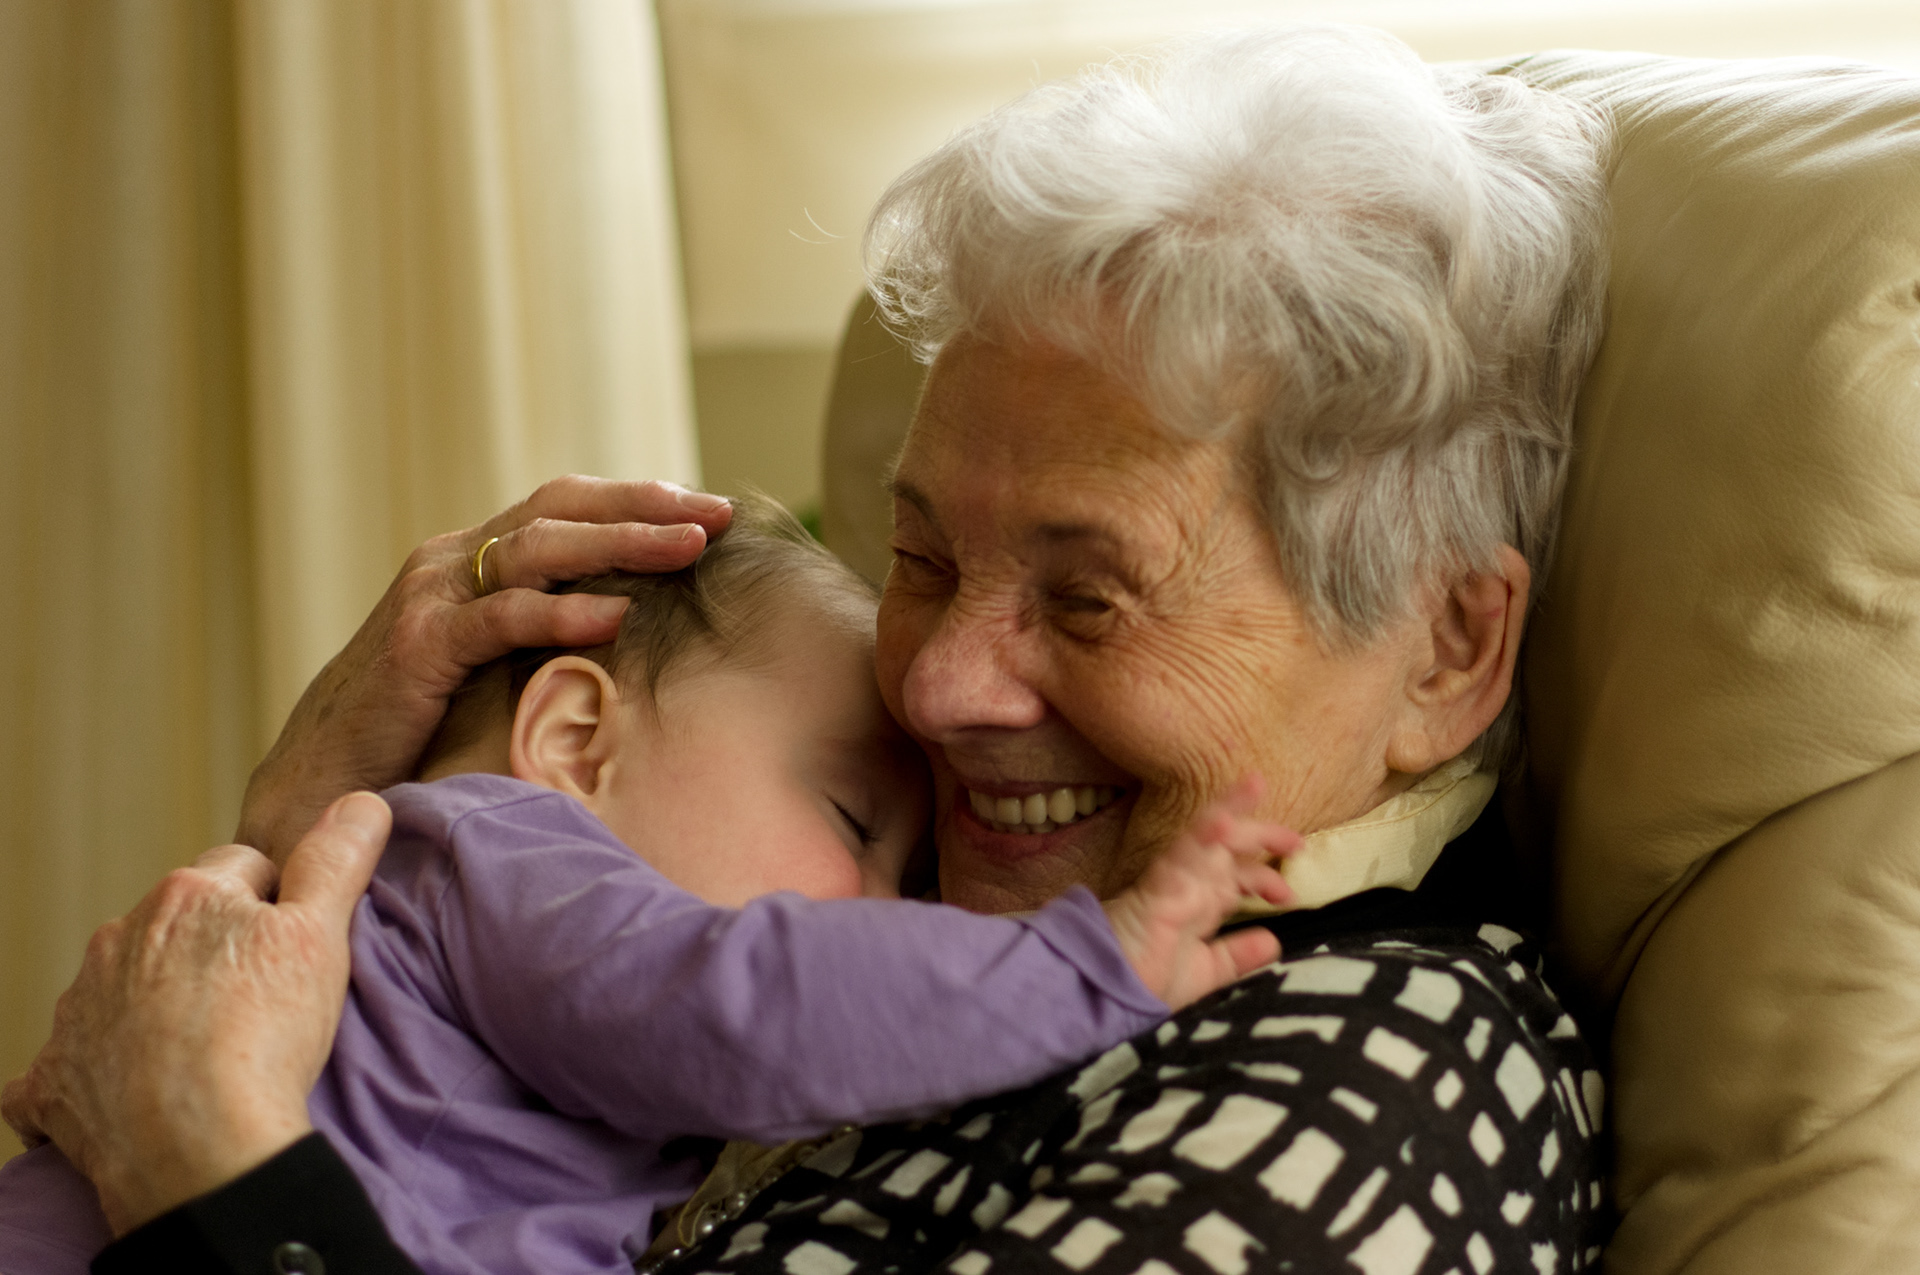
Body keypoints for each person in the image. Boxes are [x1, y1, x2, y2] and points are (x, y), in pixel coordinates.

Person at [5, 22, 1617, 1275]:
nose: (937, 688)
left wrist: (207, 1160)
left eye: (1087, 599)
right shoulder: (931, 900)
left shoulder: (1378, 1067)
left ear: (1444, 650)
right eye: (921, 559)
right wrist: (308, 831)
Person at [0, 499, 1294, 1275]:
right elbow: (754, 1007)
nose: (890, 909)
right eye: (852, 820)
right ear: (575, 741)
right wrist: (1091, 964)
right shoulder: (496, 851)